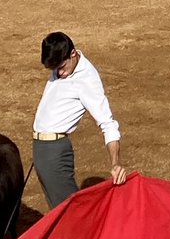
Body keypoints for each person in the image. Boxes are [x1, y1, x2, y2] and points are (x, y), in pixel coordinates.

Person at [32, 31, 127, 210]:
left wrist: (115, 163)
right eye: (55, 69)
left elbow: (108, 124)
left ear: (73, 53)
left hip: (55, 152)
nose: (59, 73)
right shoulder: (63, 65)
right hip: (42, 150)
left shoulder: (87, 80)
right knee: (59, 212)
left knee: (72, 213)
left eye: (62, 67)